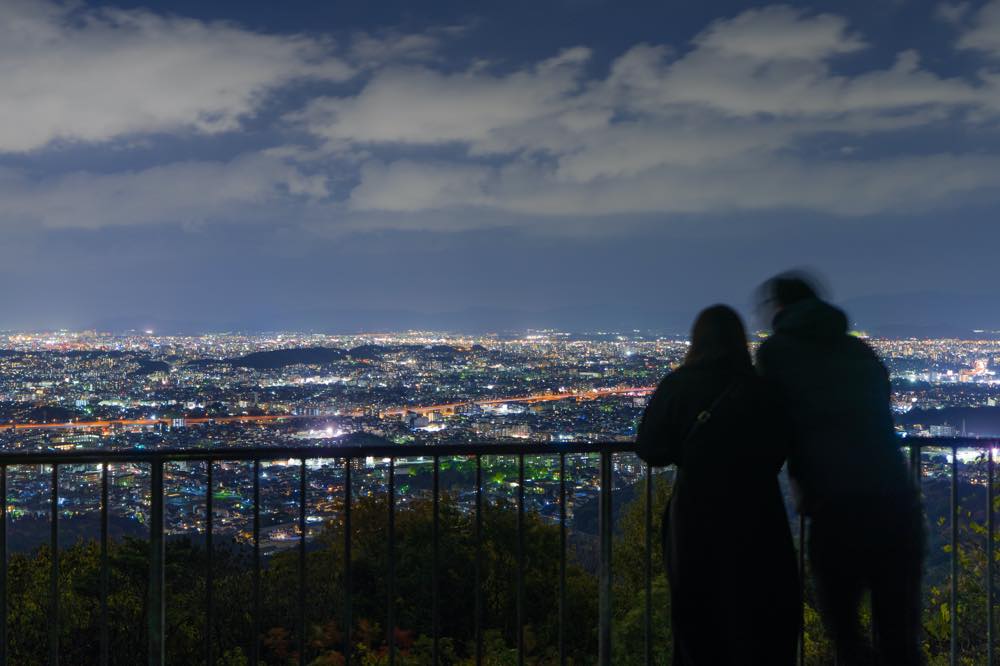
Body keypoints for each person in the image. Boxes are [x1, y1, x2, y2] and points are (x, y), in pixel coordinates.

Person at [755, 272, 925, 665]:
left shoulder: (777, 354)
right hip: (897, 502)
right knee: (900, 635)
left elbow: (769, 424)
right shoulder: (860, 352)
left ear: (779, 308)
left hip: (836, 509)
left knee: (846, 633)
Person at [635, 304, 799, 666]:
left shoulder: (680, 384)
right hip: (760, 516)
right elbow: (781, 448)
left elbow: (650, 448)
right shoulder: (761, 389)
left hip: (698, 518)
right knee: (757, 619)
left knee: (699, 619)